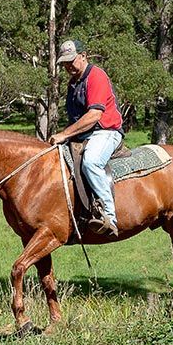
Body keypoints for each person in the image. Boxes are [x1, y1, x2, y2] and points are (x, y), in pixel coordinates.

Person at [48, 39, 124, 237]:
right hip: (83, 134)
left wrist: (64, 134)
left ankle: (109, 216)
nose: (68, 66)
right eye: (65, 63)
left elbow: (94, 115)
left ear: (83, 56)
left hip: (106, 131)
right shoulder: (73, 83)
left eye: (71, 61)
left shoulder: (96, 76)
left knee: (91, 162)